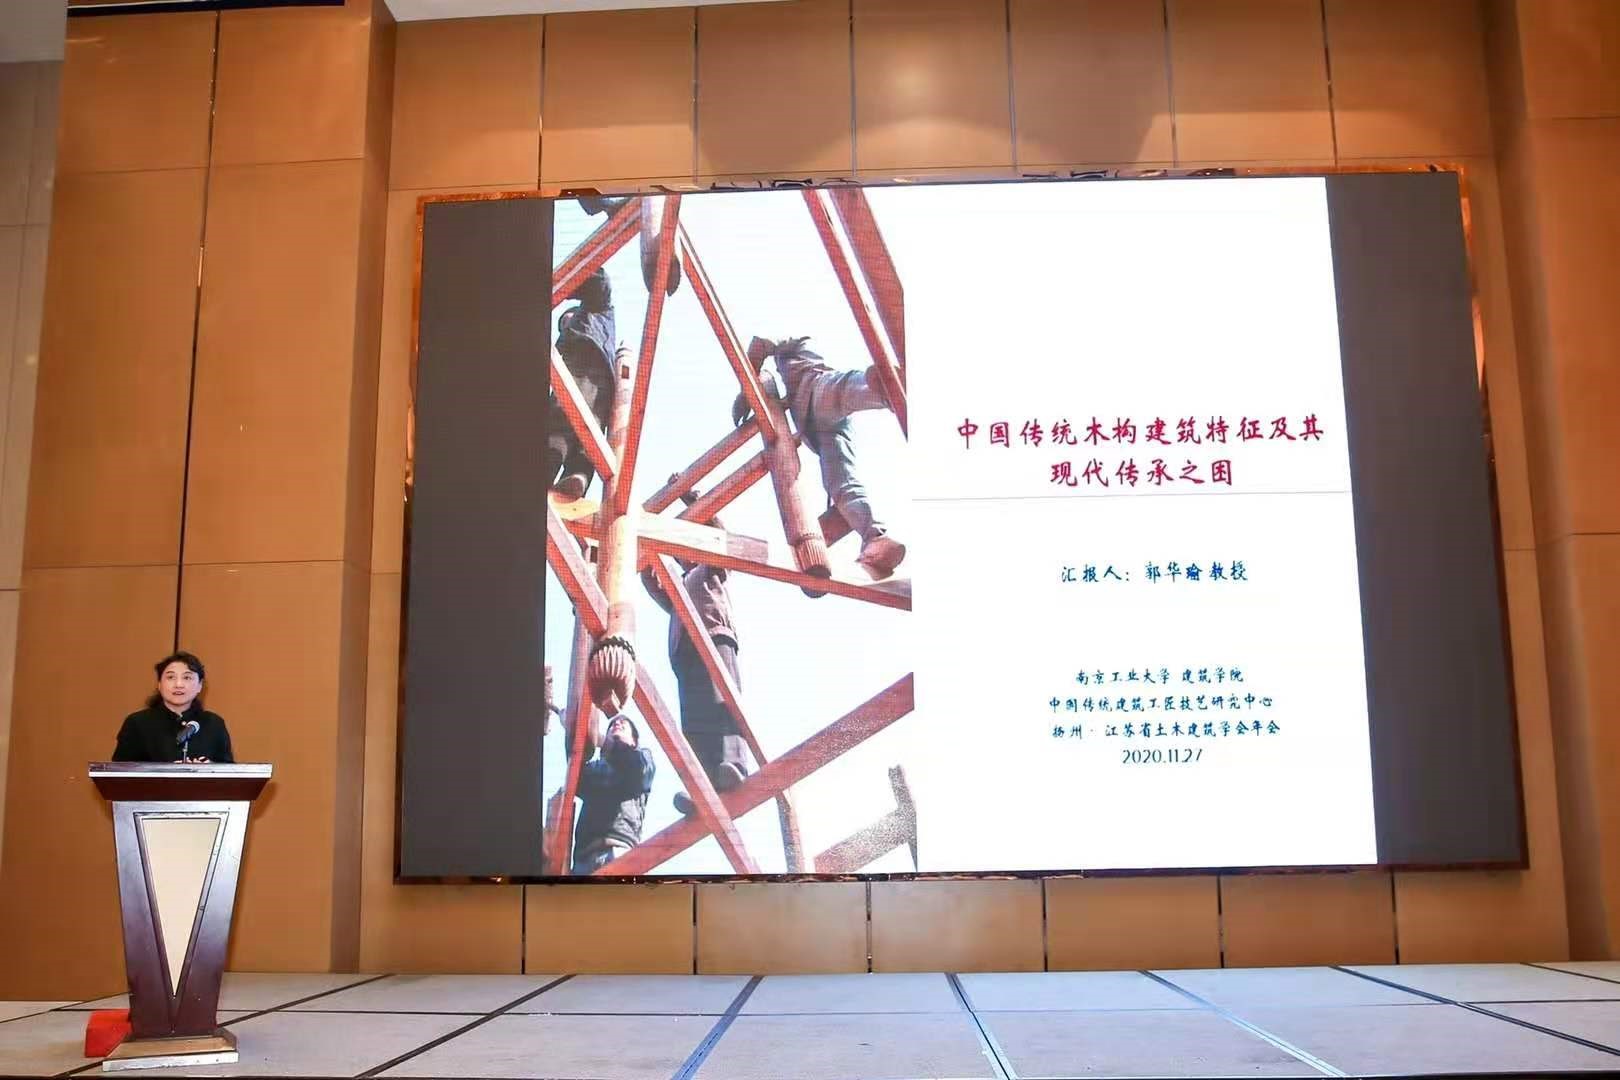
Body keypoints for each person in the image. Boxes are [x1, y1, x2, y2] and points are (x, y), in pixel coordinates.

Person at [732, 335, 906, 578]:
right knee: (841, 485)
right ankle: (875, 539)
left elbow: (761, 343)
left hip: (817, 390)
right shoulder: (792, 385)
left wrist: (745, 391)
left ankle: (888, 388)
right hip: (820, 430)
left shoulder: (795, 344)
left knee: (843, 390)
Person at [546, 195, 681, 500]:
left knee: (564, 415)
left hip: (587, 362)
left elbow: (598, 278)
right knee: (591, 425)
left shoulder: (597, 309)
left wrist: (561, 286)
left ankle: (560, 469)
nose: (564, 324)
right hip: (601, 376)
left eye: (567, 319)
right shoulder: (583, 330)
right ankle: (576, 476)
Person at [641, 484, 747, 816]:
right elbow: (650, 580)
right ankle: (701, 787)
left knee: (722, 701)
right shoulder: (678, 589)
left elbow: (720, 537)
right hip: (685, 652)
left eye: (687, 549)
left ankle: (734, 764)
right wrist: (645, 538)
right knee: (694, 721)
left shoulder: (711, 568)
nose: (684, 556)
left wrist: (694, 501)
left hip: (714, 634)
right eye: (678, 554)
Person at [112, 652, 235, 764]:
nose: (178, 684)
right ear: (159, 684)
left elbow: (230, 772)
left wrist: (210, 768)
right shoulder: (137, 723)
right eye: (171, 677)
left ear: (200, 685)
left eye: (187, 678)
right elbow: (119, 772)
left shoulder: (213, 723)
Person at [571, 713, 655, 875]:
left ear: (634, 741)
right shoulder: (595, 768)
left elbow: (638, 769)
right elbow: (574, 775)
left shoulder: (642, 757)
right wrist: (572, 727)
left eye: (624, 723)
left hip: (620, 850)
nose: (617, 723)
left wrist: (601, 740)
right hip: (583, 859)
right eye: (612, 725)